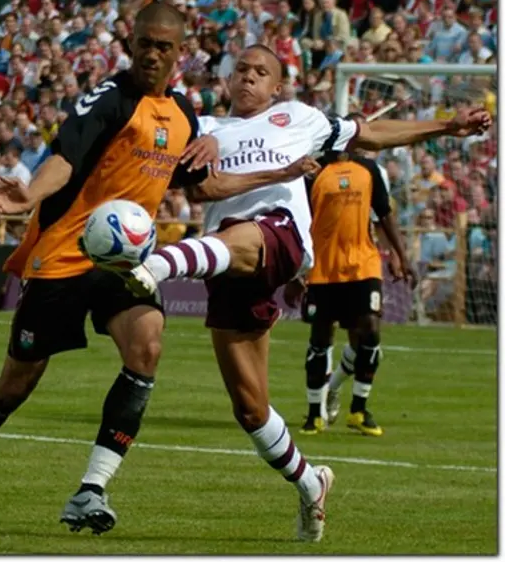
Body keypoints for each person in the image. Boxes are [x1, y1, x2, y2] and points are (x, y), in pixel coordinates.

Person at [0, 3, 310, 543]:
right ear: (131, 44)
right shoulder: (107, 99)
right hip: (62, 255)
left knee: (148, 345)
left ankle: (92, 488)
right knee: (15, 386)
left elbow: (203, 188)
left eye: (164, 46)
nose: (152, 53)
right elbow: (63, 156)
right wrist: (30, 192)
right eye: (144, 43)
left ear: (179, 52)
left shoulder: (182, 116)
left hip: (122, 261)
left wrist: (284, 173)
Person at [125, 45, 492, 541]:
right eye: (242, 71)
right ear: (230, 82)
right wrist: (213, 147)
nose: (249, 78)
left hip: (280, 237)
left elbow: (373, 135)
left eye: (262, 72)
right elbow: (203, 193)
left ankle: (154, 265)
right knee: (251, 410)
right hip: (229, 265)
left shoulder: (300, 117)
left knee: (247, 234)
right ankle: (310, 483)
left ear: (277, 86)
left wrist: (446, 127)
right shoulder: (205, 127)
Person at [297, 140, 415, 438]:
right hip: (323, 267)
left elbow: (385, 213)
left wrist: (401, 256)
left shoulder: (369, 170)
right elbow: (298, 221)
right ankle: (315, 414)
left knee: (371, 331)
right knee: (321, 337)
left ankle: (359, 409)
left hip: (364, 263)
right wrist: (295, 272)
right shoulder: (312, 173)